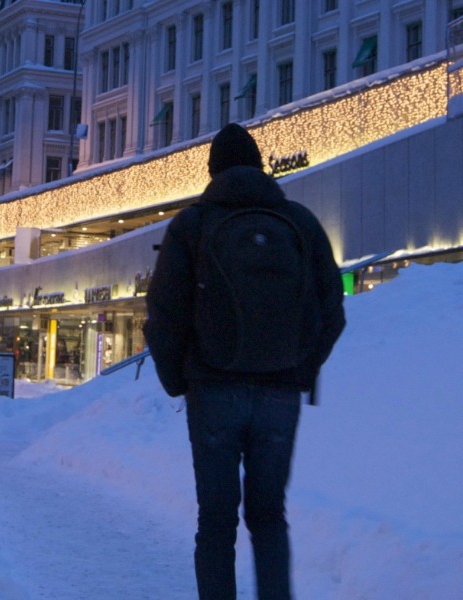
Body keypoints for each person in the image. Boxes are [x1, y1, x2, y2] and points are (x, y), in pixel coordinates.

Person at [144, 123, 346, 600]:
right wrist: (300, 367)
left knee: (216, 522)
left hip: (213, 391)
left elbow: (164, 314)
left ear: (212, 172)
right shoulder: (299, 222)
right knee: (269, 516)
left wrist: (180, 380)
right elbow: (333, 309)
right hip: (279, 391)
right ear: (260, 167)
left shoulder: (192, 225)